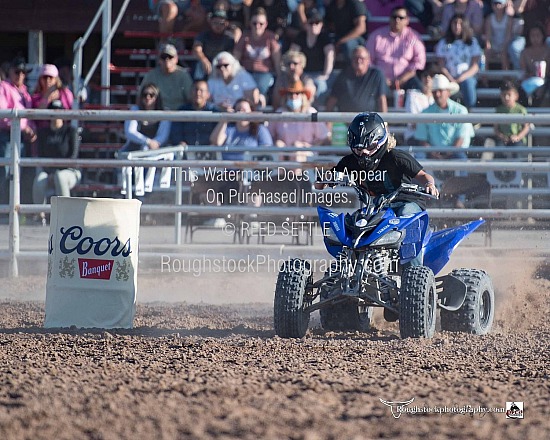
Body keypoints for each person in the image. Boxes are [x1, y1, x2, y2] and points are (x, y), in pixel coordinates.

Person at [314, 112, 439, 266]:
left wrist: (429, 185)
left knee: (407, 219)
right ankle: (347, 266)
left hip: (406, 202)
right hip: (377, 207)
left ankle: (415, 271)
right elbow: (320, 185)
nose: (364, 153)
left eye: (369, 147)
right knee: (354, 224)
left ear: (380, 142)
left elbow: (423, 175)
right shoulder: (350, 162)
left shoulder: (395, 157)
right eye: (359, 149)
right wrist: (325, 178)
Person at [414, 74, 474, 207]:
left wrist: (447, 153)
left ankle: (460, 199)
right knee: (418, 158)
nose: (437, 94)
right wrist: (433, 152)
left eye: (440, 91)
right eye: (435, 91)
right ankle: (424, 198)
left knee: (461, 159)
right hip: (435, 151)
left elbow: (461, 138)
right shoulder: (426, 113)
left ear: (448, 92)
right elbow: (422, 140)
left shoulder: (460, 111)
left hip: (452, 151)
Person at [32, 99, 81, 223]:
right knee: (39, 180)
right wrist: (50, 172)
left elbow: (73, 157)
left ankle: (66, 216)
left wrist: (55, 173)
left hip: (70, 171)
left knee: (60, 177)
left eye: (59, 110)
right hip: (48, 171)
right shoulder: (43, 133)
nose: (56, 113)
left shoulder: (71, 131)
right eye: (54, 110)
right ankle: (39, 215)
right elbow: (42, 156)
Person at [365, 6, 426, 96]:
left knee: (419, 91)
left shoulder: (414, 37)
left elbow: (419, 63)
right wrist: (383, 78)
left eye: (401, 18)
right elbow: (368, 60)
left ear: (407, 20)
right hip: (379, 79)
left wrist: (402, 79)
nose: (397, 20)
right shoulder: (376, 36)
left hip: (406, 79)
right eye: (394, 17)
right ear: (390, 19)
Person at [0, 56, 37, 204]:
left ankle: (11, 209)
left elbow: (28, 116)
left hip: (21, 138)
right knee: (6, 172)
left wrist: (32, 130)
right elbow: (3, 114)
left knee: (17, 174)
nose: (21, 75)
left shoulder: (24, 92)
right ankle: (3, 209)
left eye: (23, 72)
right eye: (17, 71)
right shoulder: (4, 87)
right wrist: (25, 128)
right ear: (10, 72)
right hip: (7, 136)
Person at [269, 80, 330, 162]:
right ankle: (280, 174)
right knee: (278, 145)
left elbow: (324, 137)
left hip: (305, 152)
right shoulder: (280, 113)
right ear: (286, 97)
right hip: (284, 152)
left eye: (297, 94)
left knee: (297, 147)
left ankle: (297, 174)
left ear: (302, 96)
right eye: (290, 94)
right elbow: (269, 134)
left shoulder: (310, 112)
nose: (293, 97)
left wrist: (310, 146)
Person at [435, 14, 482, 108]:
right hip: (448, 77)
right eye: (455, 23)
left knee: (468, 83)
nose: (457, 26)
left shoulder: (472, 42)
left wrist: (461, 78)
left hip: (467, 76)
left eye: (460, 23)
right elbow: (441, 65)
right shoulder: (443, 43)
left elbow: (475, 66)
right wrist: (450, 78)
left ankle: (471, 112)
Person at [233, 6, 281, 99]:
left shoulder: (270, 38)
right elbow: (235, 59)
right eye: (254, 23)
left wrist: (279, 78)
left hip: (265, 73)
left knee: (261, 87)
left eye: (261, 24)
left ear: (266, 24)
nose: (257, 26)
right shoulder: (245, 37)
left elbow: (277, 61)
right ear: (250, 23)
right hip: (246, 71)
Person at [289, 9, 335, 106]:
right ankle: (307, 109)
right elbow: (292, 55)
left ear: (321, 24)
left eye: (317, 22)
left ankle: (316, 110)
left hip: (320, 74)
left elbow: (329, 56)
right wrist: (297, 74)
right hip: (304, 73)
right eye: (311, 23)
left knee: (321, 86)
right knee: (306, 84)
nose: (314, 25)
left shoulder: (325, 38)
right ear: (306, 24)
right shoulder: (300, 37)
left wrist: (325, 75)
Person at [325, 46, 388, 112]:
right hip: (345, 119)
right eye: (356, 58)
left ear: (368, 60)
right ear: (351, 60)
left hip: (369, 119)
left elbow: (382, 99)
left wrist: (385, 121)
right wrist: (328, 121)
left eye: (362, 58)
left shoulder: (376, 74)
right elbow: (332, 99)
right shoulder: (343, 75)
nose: (358, 61)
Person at [139, 43, 194, 110]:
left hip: (178, 115)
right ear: (159, 59)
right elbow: (140, 97)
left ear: (176, 59)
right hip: (157, 115)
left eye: (170, 57)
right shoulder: (151, 75)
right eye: (163, 57)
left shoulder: (184, 76)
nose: (167, 60)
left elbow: (191, 99)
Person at [170, 80, 221, 147]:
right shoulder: (182, 111)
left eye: (201, 90)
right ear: (190, 92)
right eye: (196, 89)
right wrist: (180, 143)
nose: (198, 93)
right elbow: (176, 133)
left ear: (208, 94)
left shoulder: (215, 112)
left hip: (209, 152)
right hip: (186, 152)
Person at [122, 83, 171, 152]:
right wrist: (148, 142)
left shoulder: (164, 112)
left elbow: (163, 136)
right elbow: (130, 132)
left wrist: (153, 144)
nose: (148, 97)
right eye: (145, 95)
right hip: (134, 150)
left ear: (157, 97)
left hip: (157, 149)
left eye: (151, 95)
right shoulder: (134, 110)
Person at [192, 9, 236, 80]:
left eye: (221, 23)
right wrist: (204, 60)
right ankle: (198, 85)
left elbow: (232, 55)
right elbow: (197, 49)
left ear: (226, 23)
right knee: (199, 66)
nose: (218, 26)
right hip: (206, 63)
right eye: (215, 23)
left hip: (222, 64)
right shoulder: (203, 35)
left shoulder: (229, 38)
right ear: (210, 22)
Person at [323, 0, 368, 66]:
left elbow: (361, 28)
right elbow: (327, 23)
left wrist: (341, 41)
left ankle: (351, 71)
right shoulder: (332, 5)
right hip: (338, 36)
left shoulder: (355, 4)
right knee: (325, 42)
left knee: (347, 45)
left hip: (357, 38)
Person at [31, 64, 74, 130]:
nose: (47, 80)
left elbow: (72, 113)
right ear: (40, 79)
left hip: (63, 133)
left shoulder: (65, 93)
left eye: (50, 77)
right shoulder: (35, 97)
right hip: (42, 132)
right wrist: (47, 96)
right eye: (45, 77)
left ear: (56, 79)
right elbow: (37, 116)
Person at [403, 66, 437, 145]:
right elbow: (412, 123)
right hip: (415, 137)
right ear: (421, 78)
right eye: (425, 75)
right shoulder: (413, 95)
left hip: (434, 139)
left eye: (431, 75)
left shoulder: (437, 97)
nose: (428, 78)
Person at [519, 22, 550, 104]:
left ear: (543, 36)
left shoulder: (548, 51)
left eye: (538, 35)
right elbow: (523, 70)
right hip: (529, 79)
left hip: (545, 80)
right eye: (532, 35)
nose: (535, 38)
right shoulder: (524, 52)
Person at [494, 80, 530, 146]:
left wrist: (518, 137)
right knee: (499, 150)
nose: (506, 97)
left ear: (516, 96)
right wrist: (502, 136)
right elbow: (496, 128)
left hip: (518, 139)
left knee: (517, 150)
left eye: (509, 94)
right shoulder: (499, 110)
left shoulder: (521, 109)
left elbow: (526, 127)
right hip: (503, 139)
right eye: (504, 95)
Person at [483, 0, 514, 70]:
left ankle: (506, 79)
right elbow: (488, 35)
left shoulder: (509, 19)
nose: (497, 6)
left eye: (499, 4)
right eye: (495, 4)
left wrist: (504, 47)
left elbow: (508, 36)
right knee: (485, 54)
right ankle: (484, 79)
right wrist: (488, 46)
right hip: (493, 45)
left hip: (505, 45)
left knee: (504, 55)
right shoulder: (489, 19)